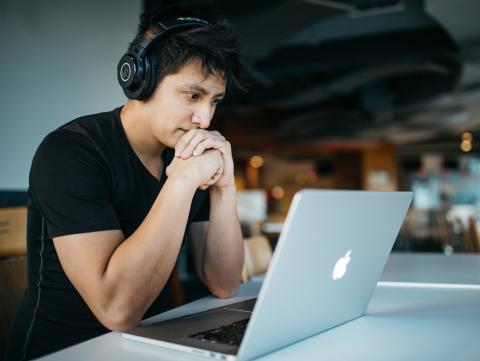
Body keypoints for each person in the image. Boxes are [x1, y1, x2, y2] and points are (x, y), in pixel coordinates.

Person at [6, 11, 248, 361]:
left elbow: (224, 284)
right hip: (63, 351)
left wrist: (225, 187)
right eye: (192, 96)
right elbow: (116, 311)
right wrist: (180, 181)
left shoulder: (184, 154)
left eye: (214, 101)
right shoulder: (70, 152)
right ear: (141, 80)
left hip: (148, 346)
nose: (205, 119)